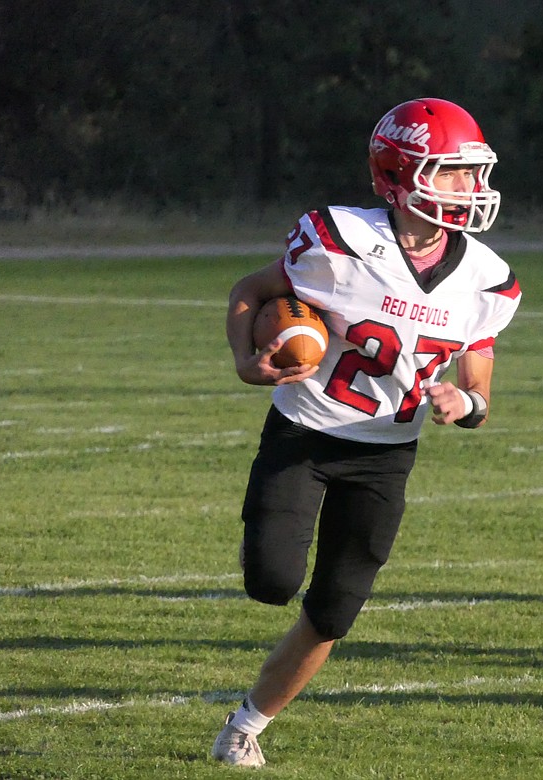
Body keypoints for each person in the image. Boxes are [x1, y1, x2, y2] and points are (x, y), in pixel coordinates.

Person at [210, 97, 521, 767]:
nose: (470, 189)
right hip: (305, 435)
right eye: (451, 173)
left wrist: (465, 405)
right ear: (398, 175)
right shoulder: (339, 238)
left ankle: (245, 726)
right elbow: (251, 289)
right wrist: (246, 359)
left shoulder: (487, 278)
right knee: (271, 580)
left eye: (473, 173)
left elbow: (480, 386)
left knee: (335, 610)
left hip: (388, 453)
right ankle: (265, 538)